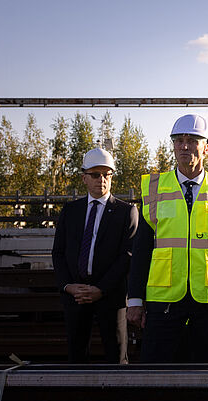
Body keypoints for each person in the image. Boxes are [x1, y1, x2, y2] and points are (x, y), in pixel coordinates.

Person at [126, 114, 208, 363]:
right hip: (163, 301)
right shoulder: (155, 189)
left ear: (207, 146)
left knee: (207, 374)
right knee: (156, 372)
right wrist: (135, 299)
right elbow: (141, 250)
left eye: (192, 140)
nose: (184, 146)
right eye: (179, 140)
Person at [52, 148, 138, 364]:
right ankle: (80, 397)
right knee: (77, 356)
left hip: (110, 296)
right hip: (76, 294)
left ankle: (118, 398)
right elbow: (59, 252)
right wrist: (68, 286)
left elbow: (127, 255)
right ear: (84, 178)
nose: (102, 179)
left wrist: (101, 289)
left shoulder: (126, 212)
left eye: (107, 174)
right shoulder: (71, 211)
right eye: (95, 174)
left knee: (117, 355)